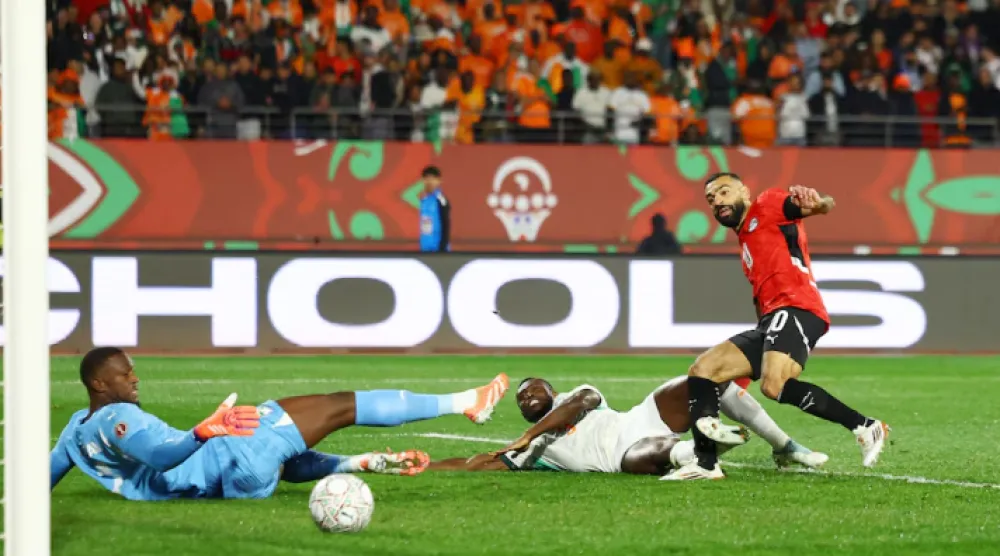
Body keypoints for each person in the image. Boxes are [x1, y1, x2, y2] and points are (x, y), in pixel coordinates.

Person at [50, 347, 509, 500]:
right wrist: (203, 431)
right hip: (230, 453)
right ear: (98, 383)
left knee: (285, 457)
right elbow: (160, 454)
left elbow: (41, 481)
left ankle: (356, 463)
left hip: (236, 486)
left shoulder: (74, 431)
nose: (134, 379)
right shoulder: (119, 416)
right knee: (340, 405)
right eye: (123, 375)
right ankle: (469, 401)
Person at [662, 173, 888, 481]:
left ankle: (865, 426)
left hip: (797, 307)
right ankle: (705, 464)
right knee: (704, 370)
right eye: (711, 200)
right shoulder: (745, 243)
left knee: (775, 384)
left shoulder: (767, 205)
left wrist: (818, 203)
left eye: (724, 192)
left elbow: (818, 206)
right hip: (771, 320)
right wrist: (748, 363)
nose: (718, 202)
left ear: (745, 191)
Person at [428, 376, 827, 475]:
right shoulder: (530, 453)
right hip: (618, 455)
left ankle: (783, 445)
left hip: (637, 420)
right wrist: (425, 466)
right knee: (641, 458)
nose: (526, 397)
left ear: (553, 392)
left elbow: (574, 409)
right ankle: (706, 447)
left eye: (534, 390)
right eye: (521, 400)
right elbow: (476, 461)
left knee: (704, 380)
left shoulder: (578, 396)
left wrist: (531, 432)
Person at [419, 165, 451, 252]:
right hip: (424, 249)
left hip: (438, 249)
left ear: (439, 181)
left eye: (433, 179)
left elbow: (446, 225)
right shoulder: (424, 200)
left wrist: (442, 248)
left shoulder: (441, 200)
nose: (429, 182)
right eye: (427, 178)